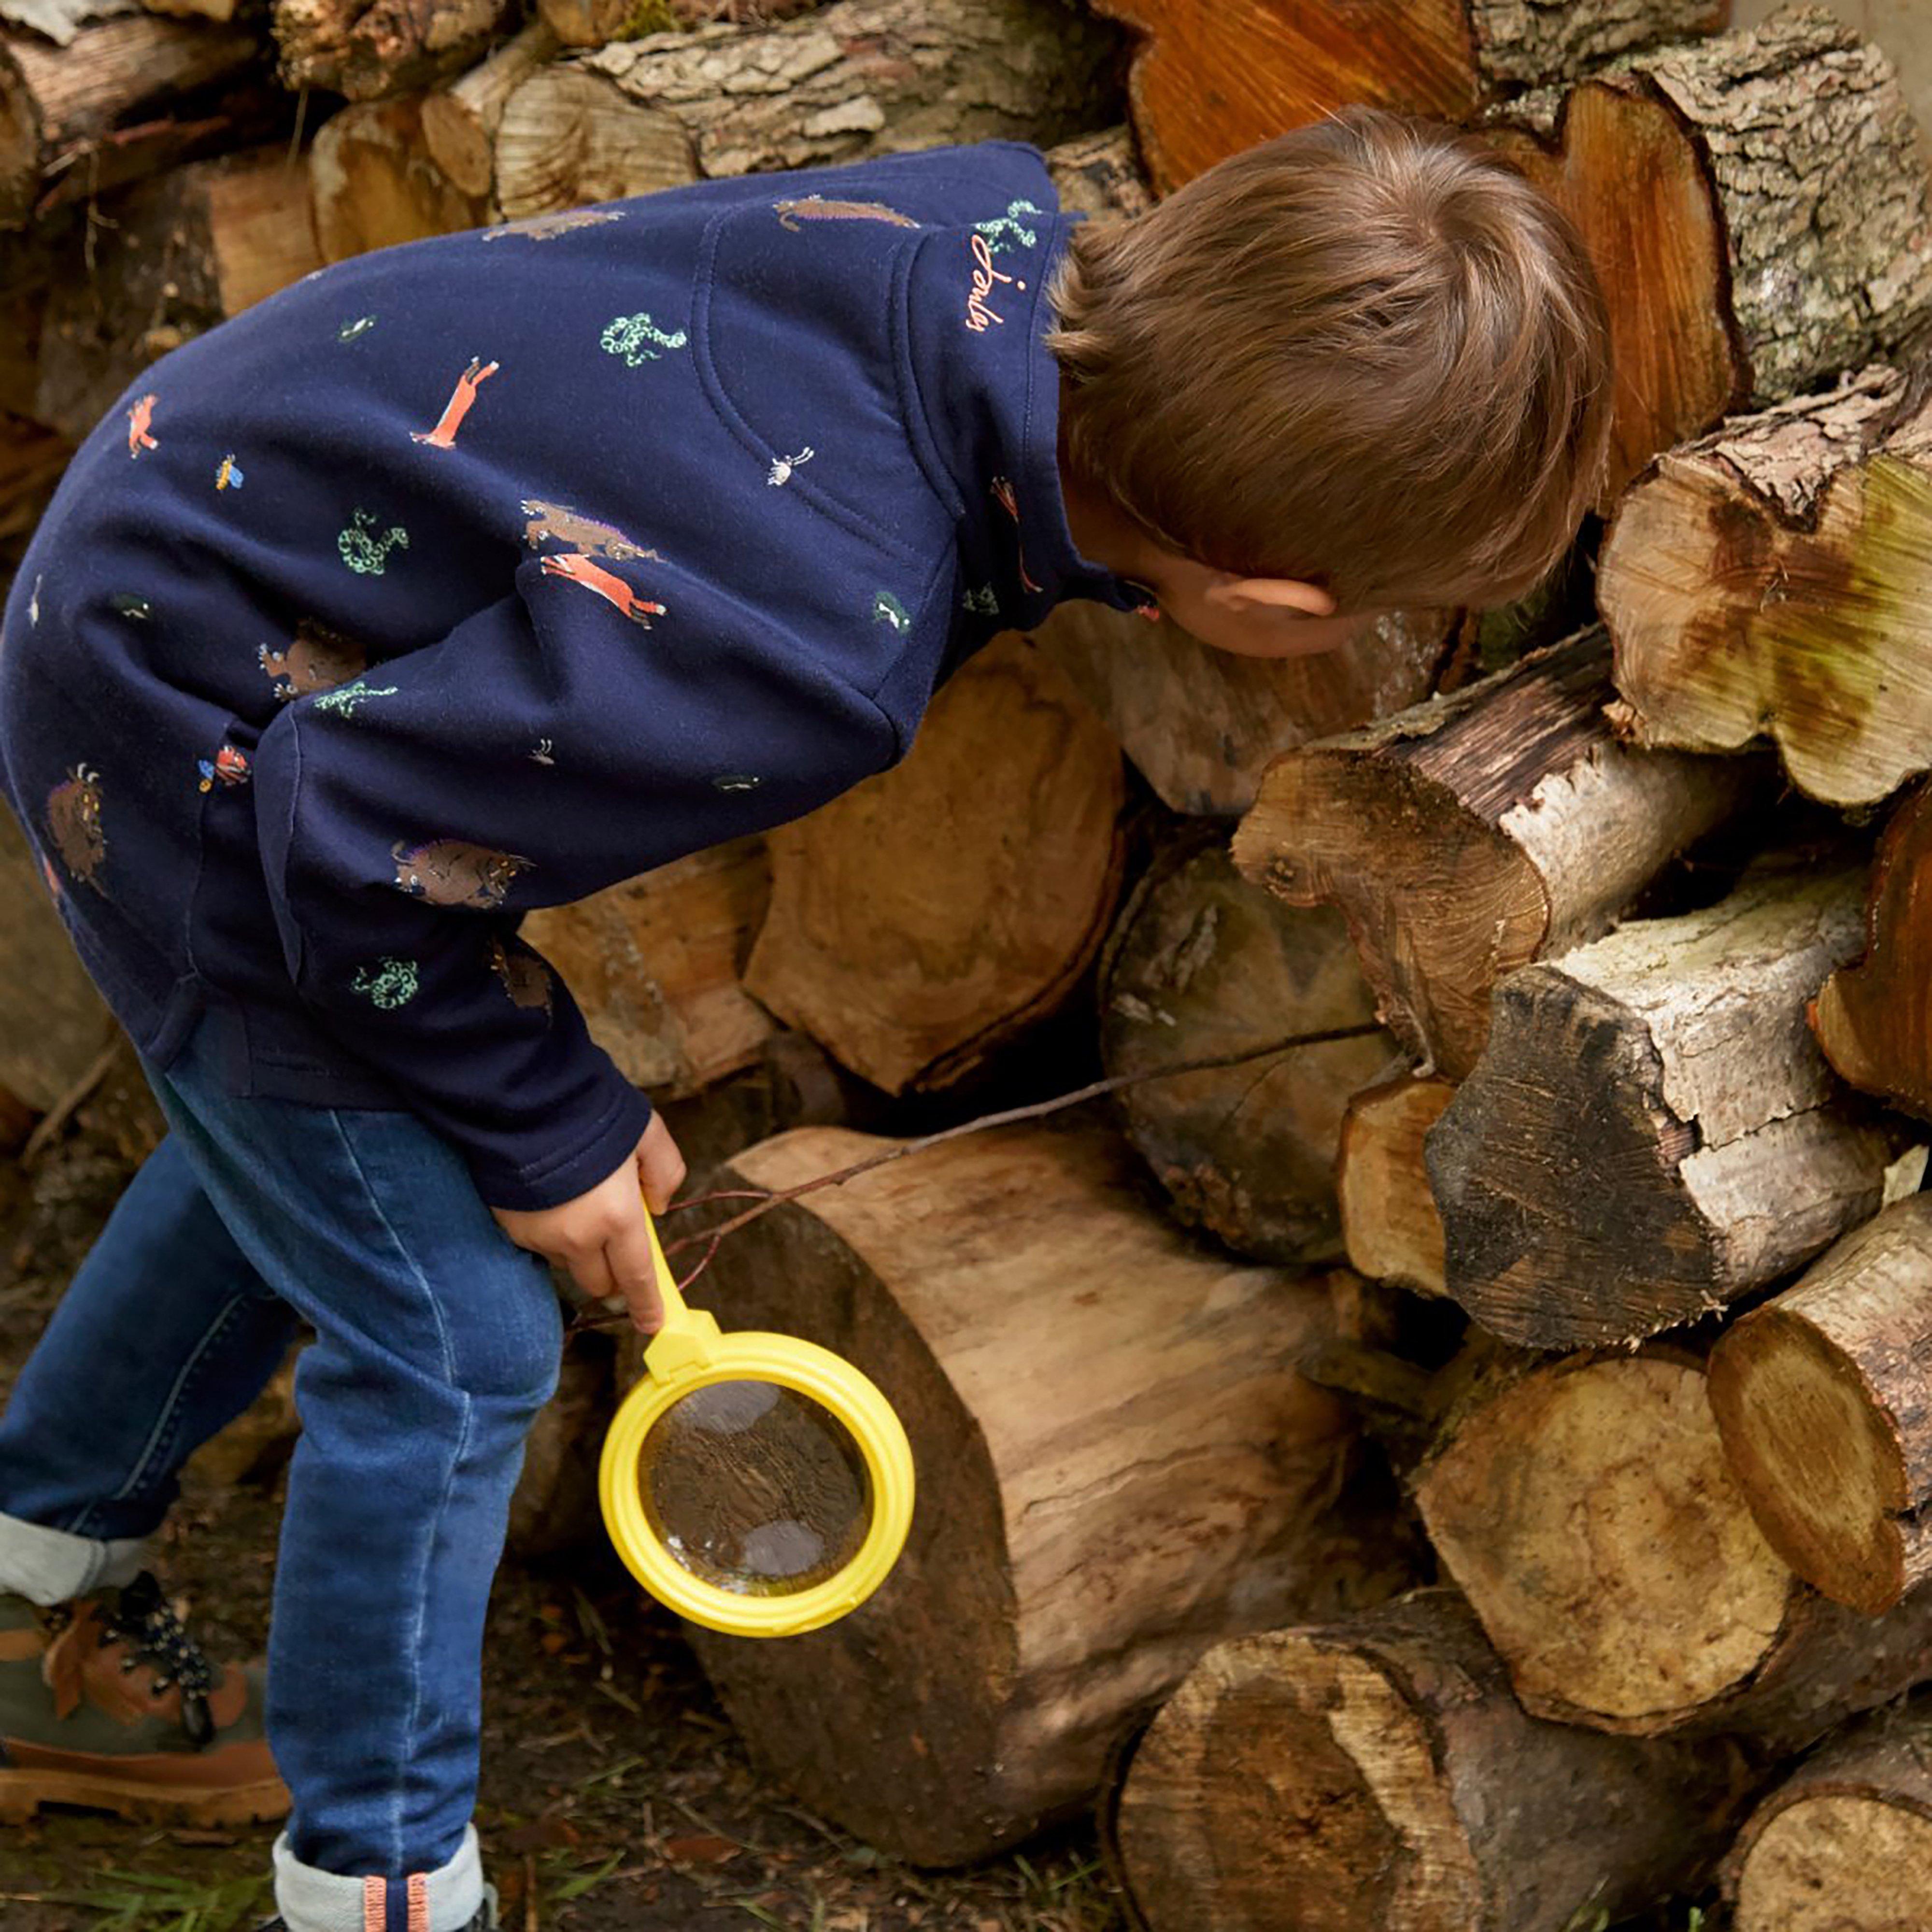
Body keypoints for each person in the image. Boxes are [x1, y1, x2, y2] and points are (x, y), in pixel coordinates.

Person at [0, 106, 1610, 1932]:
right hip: (188, 739)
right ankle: (378, 1884)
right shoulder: (807, 644)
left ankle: (29, 1575)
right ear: (1262, 603)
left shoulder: (985, 228)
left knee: (301, 1164)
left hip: (185, 514)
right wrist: (547, 1113)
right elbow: (345, 844)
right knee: (454, 1342)